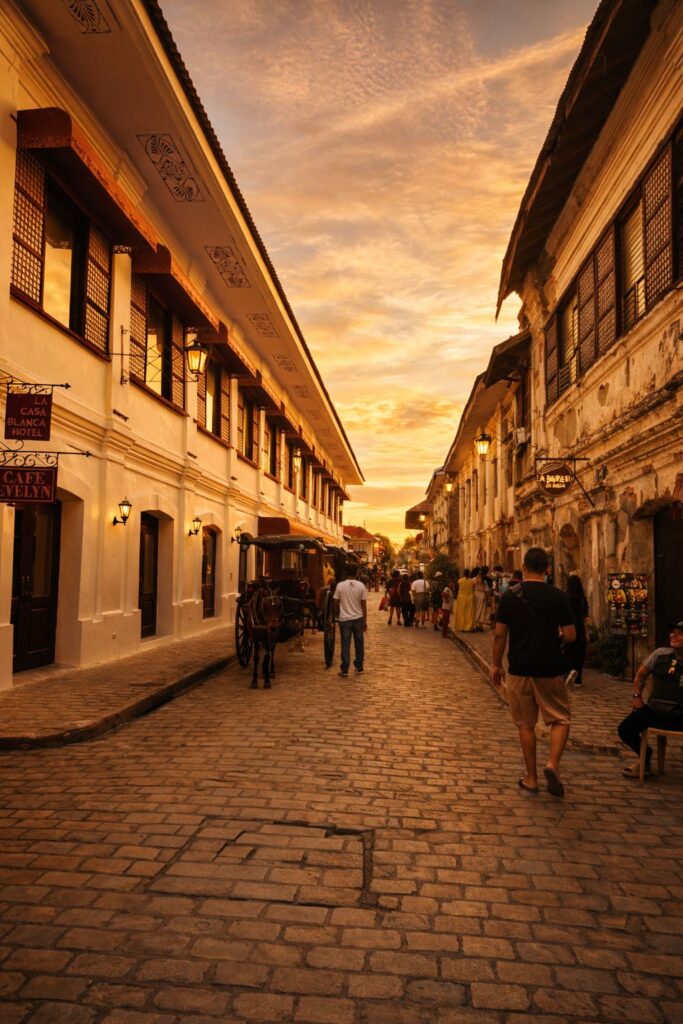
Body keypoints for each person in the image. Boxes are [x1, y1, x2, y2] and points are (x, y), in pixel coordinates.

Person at [491, 547, 576, 799]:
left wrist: (496, 666)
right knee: (560, 718)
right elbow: (571, 635)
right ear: (547, 569)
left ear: (524, 567)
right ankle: (552, 764)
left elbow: (499, 635)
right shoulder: (559, 597)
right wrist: (555, 638)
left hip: (519, 668)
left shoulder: (509, 597)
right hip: (550, 668)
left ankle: (531, 778)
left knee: (525, 724)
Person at [617, 620, 683, 778]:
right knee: (625, 729)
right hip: (656, 710)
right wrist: (636, 697)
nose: (673, 635)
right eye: (673, 632)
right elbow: (640, 675)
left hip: (680, 714)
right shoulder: (660, 654)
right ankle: (645, 757)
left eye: (680, 633)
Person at [333, 562, 367, 677]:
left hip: (345, 619)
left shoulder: (340, 585)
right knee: (359, 643)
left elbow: (336, 602)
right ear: (357, 572)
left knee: (345, 644)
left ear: (346, 572)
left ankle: (345, 669)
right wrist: (365, 621)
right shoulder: (361, 586)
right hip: (358, 618)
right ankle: (359, 666)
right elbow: (364, 605)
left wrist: (340, 611)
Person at [564, 574, 589, 687]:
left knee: (568, 652)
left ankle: (568, 673)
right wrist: (587, 632)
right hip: (580, 629)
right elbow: (585, 618)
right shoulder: (582, 600)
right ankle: (578, 679)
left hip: (568, 627)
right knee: (579, 653)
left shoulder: (566, 599)